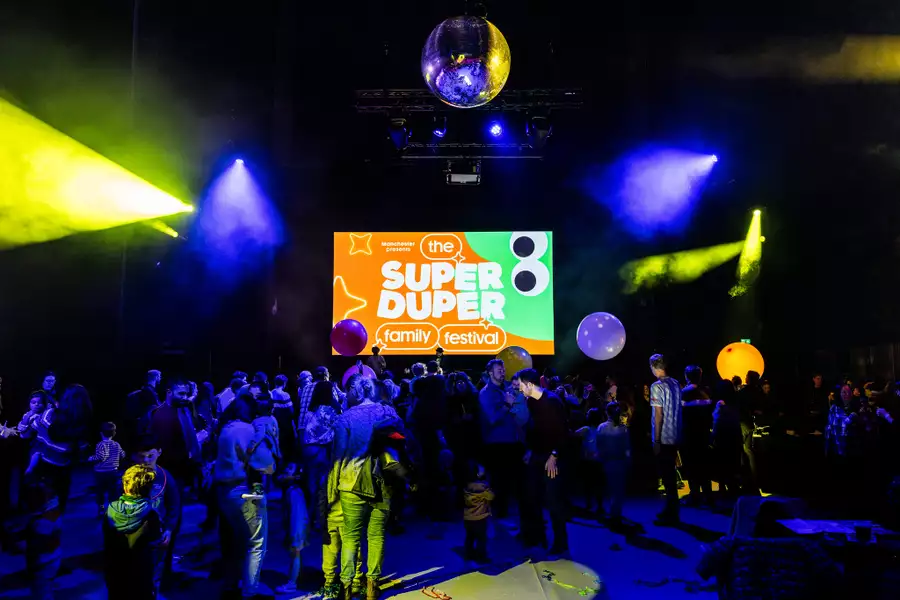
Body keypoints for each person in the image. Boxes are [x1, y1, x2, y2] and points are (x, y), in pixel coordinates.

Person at [329, 375, 403, 600]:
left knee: (351, 538)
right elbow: (403, 441)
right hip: (384, 481)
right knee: (377, 536)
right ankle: (372, 588)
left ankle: (347, 588)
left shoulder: (346, 418)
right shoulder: (389, 413)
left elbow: (338, 456)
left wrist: (332, 489)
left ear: (354, 390)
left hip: (352, 483)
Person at [215, 397, 275, 598]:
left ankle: (231, 585)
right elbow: (265, 465)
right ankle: (250, 592)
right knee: (256, 543)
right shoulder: (246, 429)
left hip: (224, 492)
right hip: (244, 490)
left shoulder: (226, 428)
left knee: (236, 541)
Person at [517, 368, 569, 556]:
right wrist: (530, 450)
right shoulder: (531, 402)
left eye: (522, 385)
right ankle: (537, 536)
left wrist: (554, 456)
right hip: (538, 456)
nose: (520, 389)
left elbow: (563, 432)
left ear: (529, 384)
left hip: (552, 457)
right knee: (532, 496)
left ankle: (561, 543)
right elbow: (535, 430)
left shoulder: (552, 401)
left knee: (554, 502)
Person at [477, 359, 529, 520]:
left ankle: (510, 514)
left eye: (503, 369)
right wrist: (507, 405)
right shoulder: (486, 393)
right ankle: (499, 517)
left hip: (512, 442)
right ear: (490, 372)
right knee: (499, 481)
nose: (502, 371)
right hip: (497, 444)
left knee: (514, 481)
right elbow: (492, 418)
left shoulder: (507, 389)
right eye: (498, 369)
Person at [131, 434, 182, 594]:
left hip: (158, 535)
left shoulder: (165, 477)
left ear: (159, 452)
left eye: (150, 456)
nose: (146, 461)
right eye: (142, 456)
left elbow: (174, 506)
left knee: (155, 572)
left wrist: (169, 529)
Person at [30, 383, 93, 512]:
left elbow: (38, 429)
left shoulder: (51, 415)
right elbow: (81, 449)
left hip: (45, 463)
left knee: (44, 499)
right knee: (60, 497)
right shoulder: (85, 422)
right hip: (65, 466)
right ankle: (54, 523)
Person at [104, 464, 161, 600]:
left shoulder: (110, 511)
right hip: (140, 567)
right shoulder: (150, 514)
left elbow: (107, 538)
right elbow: (155, 539)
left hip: (116, 567)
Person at [149, 378, 203, 491]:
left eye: (186, 394)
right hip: (170, 469)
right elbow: (164, 446)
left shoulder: (182, 409)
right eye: (181, 394)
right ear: (169, 392)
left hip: (182, 467)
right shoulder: (162, 414)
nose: (185, 397)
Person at [649, 354, 682, 524]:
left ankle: (672, 514)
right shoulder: (676, 383)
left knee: (668, 478)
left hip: (664, 438)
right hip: (676, 435)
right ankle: (672, 510)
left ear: (653, 366)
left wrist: (656, 440)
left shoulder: (657, 386)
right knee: (670, 477)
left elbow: (658, 415)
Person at [22, 469, 62, 600]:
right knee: (45, 588)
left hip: (44, 563)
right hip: (51, 559)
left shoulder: (43, 522)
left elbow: (41, 544)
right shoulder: (52, 511)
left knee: (42, 592)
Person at [681, 366, 714, 506]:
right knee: (704, 464)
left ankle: (694, 495)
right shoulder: (706, 392)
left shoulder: (684, 393)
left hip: (689, 434)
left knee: (691, 465)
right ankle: (708, 495)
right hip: (704, 434)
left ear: (687, 377)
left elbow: (680, 415)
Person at [275, 463, 308, 595]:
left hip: (297, 530)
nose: (285, 470)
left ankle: (291, 584)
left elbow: (297, 515)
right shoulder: (292, 491)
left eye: (289, 469)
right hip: (296, 529)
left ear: (296, 476)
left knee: (295, 554)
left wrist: (295, 535)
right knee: (295, 555)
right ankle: (297, 577)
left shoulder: (294, 493)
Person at [597, 401, 631, 526]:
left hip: (607, 462)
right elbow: (627, 448)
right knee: (618, 489)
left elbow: (599, 446)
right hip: (620, 462)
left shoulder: (601, 427)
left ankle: (613, 513)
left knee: (611, 489)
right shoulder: (623, 429)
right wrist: (628, 461)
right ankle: (615, 514)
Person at [89, 422, 126, 515]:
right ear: (114, 433)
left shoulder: (101, 444)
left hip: (100, 473)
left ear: (101, 433)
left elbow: (102, 456)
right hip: (113, 471)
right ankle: (112, 509)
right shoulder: (116, 444)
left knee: (100, 491)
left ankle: (101, 508)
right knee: (113, 491)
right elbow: (123, 455)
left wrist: (90, 458)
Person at [574, 408, 604, 518]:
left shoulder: (586, 429)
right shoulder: (601, 428)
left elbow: (573, 435)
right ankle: (600, 506)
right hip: (599, 460)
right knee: (598, 483)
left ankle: (589, 504)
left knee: (588, 483)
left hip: (588, 460)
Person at [463, 461, 494, 563]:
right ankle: (481, 557)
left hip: (468, 517)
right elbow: (491, 496)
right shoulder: (483, 487)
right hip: (480, 518)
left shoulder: (467, 486)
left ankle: (469, 554)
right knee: (481, 539)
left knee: (470, 537)